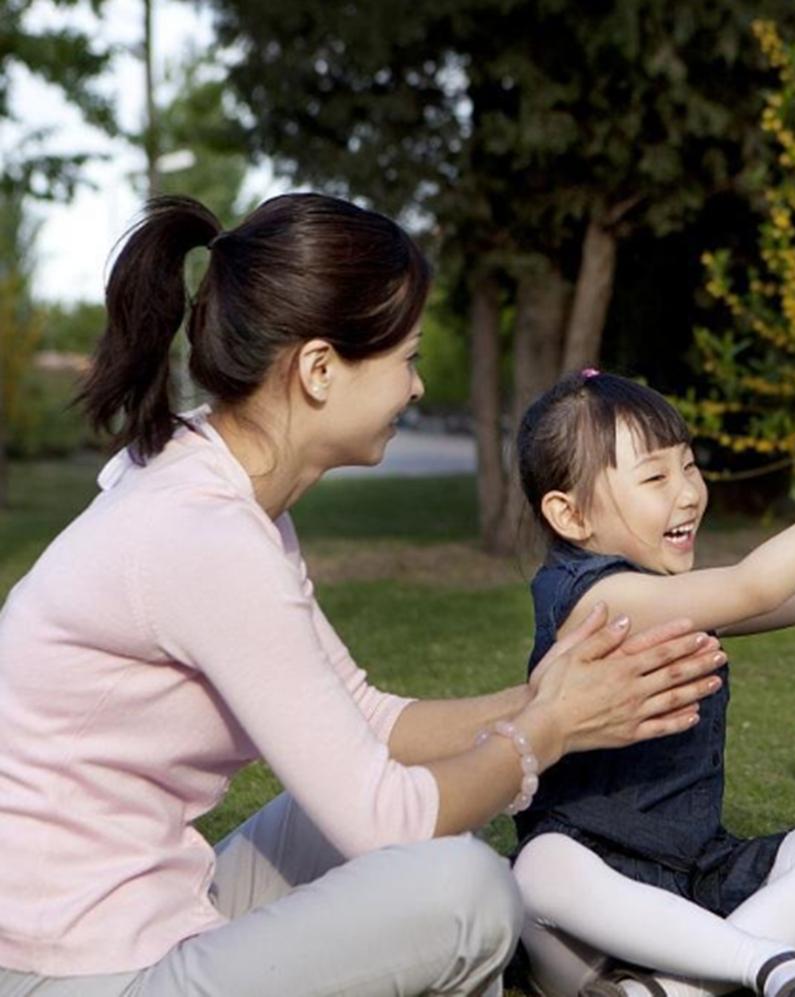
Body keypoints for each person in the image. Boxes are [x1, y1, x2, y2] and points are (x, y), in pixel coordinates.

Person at [0, 193, 727, 996]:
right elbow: (392, 820)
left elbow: (367, 718)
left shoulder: (222, 490)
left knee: (398, 813)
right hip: (63, 969)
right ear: (318, 370)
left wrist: (550, 699)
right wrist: (547, 729)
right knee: (464, 889)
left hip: (148, 909)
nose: (417, 386)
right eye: (407, 358)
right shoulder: (204, 537)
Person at [506, 370, 795, 996]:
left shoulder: (666, 592)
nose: (687, 494)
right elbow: (755, 585)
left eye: (690, 466)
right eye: (655, 477)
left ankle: (672, 991)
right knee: (542, 867)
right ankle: (759, 965)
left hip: (698, 874)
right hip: (590, 899)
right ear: (569, 514)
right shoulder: (594, 598)